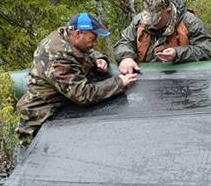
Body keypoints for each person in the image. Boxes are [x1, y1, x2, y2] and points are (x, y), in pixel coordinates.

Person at [16, 12, 137, 145]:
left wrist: (98, 58)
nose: (95, 43)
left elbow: (82, 51)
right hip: (40, 121)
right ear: (78, 34)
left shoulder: (67, 35)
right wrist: (119, 82)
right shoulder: (57, 58)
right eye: (92, 39)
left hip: (61, 110)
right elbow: (83, 94)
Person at [114, 0, 211, 74]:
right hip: (147, 79)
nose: (152, 24)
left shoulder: (190, 22)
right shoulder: (139, 22)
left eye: (157, 19)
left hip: (182, 77)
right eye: (149, 19)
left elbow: (205, 49)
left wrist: (177, 53)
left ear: (168, 11)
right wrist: (126, 57)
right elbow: (124, 42)